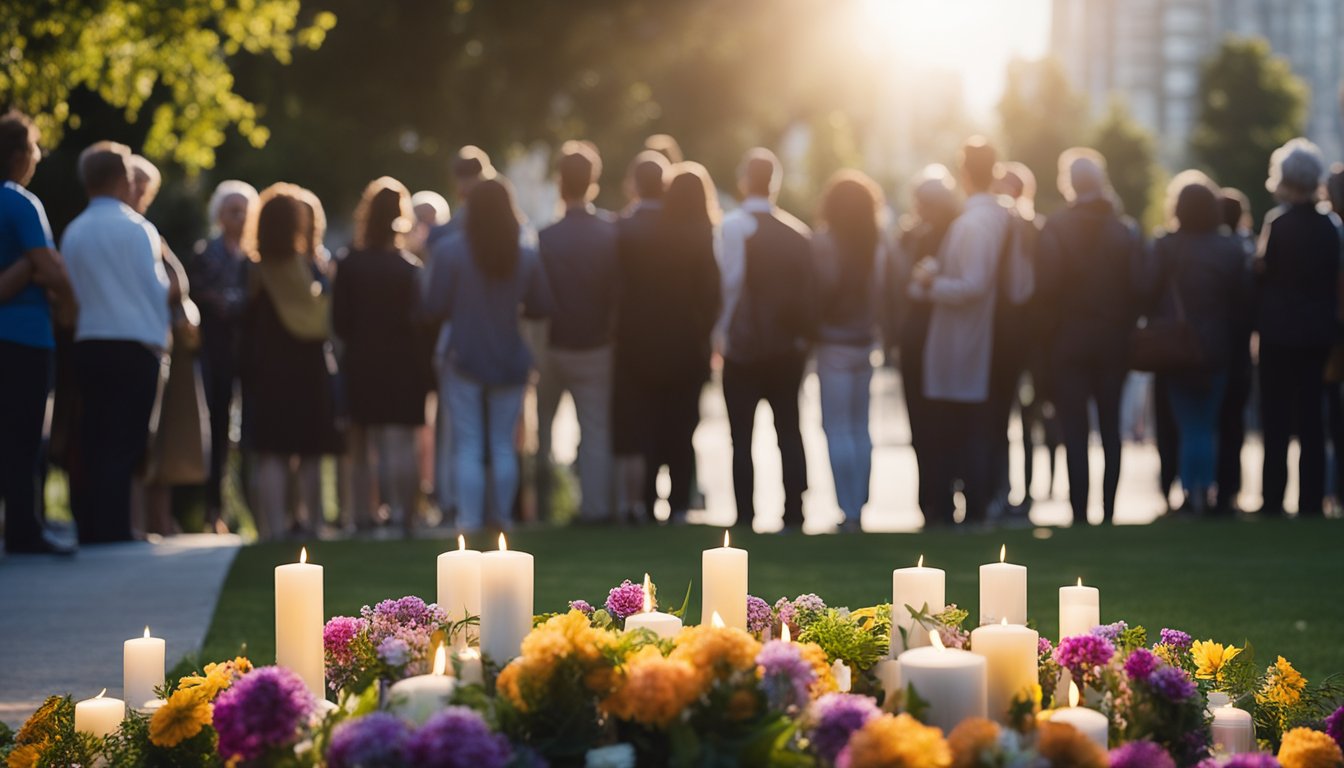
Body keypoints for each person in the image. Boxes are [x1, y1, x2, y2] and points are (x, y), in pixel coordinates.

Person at [421, 178, 553, 534]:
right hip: (510, 356)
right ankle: (503, 520)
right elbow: (542, 306)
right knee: (502, 444)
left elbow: (433, 305)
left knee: (469, 444)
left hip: (463, 355)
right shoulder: (524, 256)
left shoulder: (450, 252)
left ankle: (469, 521)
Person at [60, 141, 171, 544]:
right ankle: (117, 526)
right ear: (123, 179)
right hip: (134, 344)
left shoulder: (74, 231)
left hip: (89, 342)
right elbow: (156, 287)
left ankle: (91, 525)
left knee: (94, 435)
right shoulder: (138, 228)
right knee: (126, 441)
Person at [1036, 148, 1146, 526]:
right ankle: (1109, 509)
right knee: (1111, 425)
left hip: (1068, 339)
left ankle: (1080, 509)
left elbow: (1045, 289)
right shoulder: (1124, 230)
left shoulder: (1055, 228)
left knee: (1074, 427)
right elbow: (1139, 287)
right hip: (1113, 338)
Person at [908, 138, 1012, 528]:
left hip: (963, 338)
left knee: (959, 428)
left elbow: (973, 284)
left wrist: (931, 283)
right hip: (974, 339)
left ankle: (971, 505)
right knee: (971, 427)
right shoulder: (997, 216)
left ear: (965, 174)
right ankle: (974, 502)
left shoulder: (974, 223)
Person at [239, 183, 344, 540]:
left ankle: (273, 529)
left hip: (267, 369)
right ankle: (314, 524)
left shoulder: (254, 268)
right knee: (310, 450)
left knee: (272, 453)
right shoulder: (310, 267)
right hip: (308, 368)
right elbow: (326, 317)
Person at [718, 148, 814, 531]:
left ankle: (745, 514)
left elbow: (730, 283)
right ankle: (795, 511)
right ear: (775, 183)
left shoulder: (734, 227)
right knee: (789, 430)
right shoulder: (799, 234)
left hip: (743, 348)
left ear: (745, 181)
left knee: (740, 436)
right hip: (787, 348)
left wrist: (719, 333)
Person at [333, 177, 432, 535]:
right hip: (404, 364)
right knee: (402, 443)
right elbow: (421, 322)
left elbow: (339, 323)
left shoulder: (348, 264)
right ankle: (407, 517)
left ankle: (362, 516)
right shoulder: (410, 270)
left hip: (362, 361)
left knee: (360, 445)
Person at [0, 109, 76, 555]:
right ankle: (26, 530)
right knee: (25, 435)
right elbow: (50, 266)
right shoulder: (19, 201)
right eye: (33, 148)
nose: (38, 157)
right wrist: (71, 301)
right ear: (15, 155)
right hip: (25, 339)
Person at [1153, 173, 1250, 515]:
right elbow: (1243, 300)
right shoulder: (1230, 248)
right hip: (1217, 348)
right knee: (1205, 424)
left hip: (1177, 347)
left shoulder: (1166, 245)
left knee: (1187, 424)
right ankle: (1204, 491)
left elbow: (1147, 291)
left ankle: (1189, 492)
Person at [1256, 138, 1341, 519]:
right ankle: (1311, 501)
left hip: (1277, 333)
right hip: (1318, 333)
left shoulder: (1278, 224)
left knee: (1274, 421)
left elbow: (1261, 274)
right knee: (1311, 421)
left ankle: (1273, 499)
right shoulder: (1331, 227)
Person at [535, 142, 619, 523]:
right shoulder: (610, 232)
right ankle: (595, 508)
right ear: (593, 182)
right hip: (597, 345)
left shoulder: (547, 237)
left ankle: (541, 508)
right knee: (597, 432)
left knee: (544, 431)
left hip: (553, 343)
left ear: (559, 183)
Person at [128, 154, 209, 537]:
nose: (142, 195)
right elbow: (175, 284)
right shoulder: (136, 232)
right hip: (139, 342)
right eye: (138, 186)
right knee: (142, 442)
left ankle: (158, 520)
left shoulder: (147, 231)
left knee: (162, 441)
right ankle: (139, 523)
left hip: (161, 345)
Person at [811, 170, 889, 532]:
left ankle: (848, 507)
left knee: (837, 427)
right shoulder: (878, 243)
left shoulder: (825, 244)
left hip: (834, 341)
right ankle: (859, 504)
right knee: (860, 427)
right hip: (865, 341)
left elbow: (818, 289)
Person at [425, 146, 496, 523]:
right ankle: (494, 509)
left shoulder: (446, 237)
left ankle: (458, 506)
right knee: (493, 436)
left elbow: (433, 299)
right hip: (499, 337)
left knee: (460, 434)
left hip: (459, 337)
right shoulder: (512, 230)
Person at [894, 166, 961, 526]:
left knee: (937, 423)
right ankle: (933, 500)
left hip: (935, 336)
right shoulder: (911, 236)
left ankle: (940, 499)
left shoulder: (948, 235)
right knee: (925, 424)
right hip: (920, 337)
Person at [191, 180, 257, 533]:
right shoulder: (206, 254)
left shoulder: (256, 257)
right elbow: (205, 298)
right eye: (233, 210)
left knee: (252, 434)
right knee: (216, 432)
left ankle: (253, 511)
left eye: (245, 210)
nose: (240, 217)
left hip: (249, 356)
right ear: (219, 215)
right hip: (216, 356)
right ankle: (213, 510)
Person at [612, 150, 670, 525]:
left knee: (633, 423)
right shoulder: (678, 227)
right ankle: (663, 499)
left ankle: (636, 502)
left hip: (630, 336)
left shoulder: (620, 227)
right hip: (669, 337)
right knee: (666, 423)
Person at [988, 161, 1046, 518]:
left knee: (1008, 421)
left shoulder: (1014, 229)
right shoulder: (1035, 229)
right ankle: (1013, 493)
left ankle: (1010, 493)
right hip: (1021, 341)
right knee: (1018, 422)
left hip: (1011, 339)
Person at [1214, 187, 1257, 516]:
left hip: (1216, 348)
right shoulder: (1245, 251)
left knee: (1215, 421)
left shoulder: (1218, 250)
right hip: (1239, 349)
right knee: (1233, 425)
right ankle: (1230, 491)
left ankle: (1217, 490)